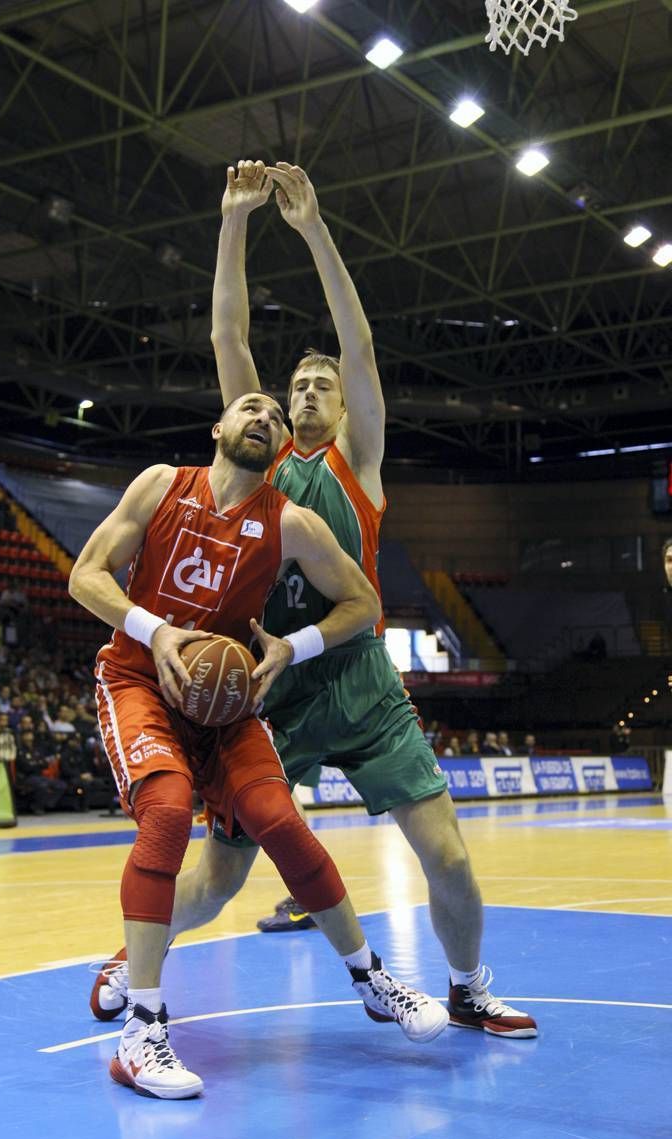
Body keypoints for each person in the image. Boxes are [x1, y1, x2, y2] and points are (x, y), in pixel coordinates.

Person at [89, 161, 536, 1043]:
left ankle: (467, 986)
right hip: (267, 685)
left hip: (358, 675)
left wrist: (313, 229)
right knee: (217, 880)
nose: (305, 392)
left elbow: (359, 348)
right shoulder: (264, 469)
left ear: (344, 403)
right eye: (295, 386)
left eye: (319, 385)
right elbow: (228, 334)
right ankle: (129, 955)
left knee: (445, 853)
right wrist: (234, 223)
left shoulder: (355, 467)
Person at [70, 389, 450, 1101]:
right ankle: (142, 1030)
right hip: (140, 678)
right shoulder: (161, 484)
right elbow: (84, 574)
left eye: (275, 416)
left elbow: (364, 601)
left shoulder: (290, 522)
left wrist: (292, 646)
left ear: (278, 447)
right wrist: (157, 630)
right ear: (218, 426)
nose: (266, 416)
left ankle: (371, 978)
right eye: (251, 407)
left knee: (278, 818)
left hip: (229, 703)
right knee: (168, 809)